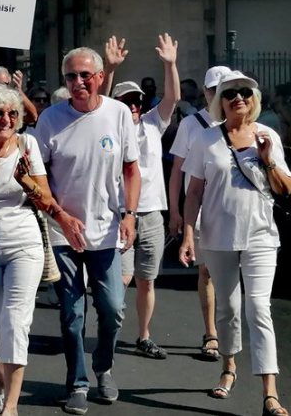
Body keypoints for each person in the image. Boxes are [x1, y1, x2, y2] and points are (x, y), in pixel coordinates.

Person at [31, 47, 140, 415]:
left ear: (98, 77)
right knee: (71, 313)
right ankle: (77, 382)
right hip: (64, 232)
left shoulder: (118, 113)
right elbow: (39, 179)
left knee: (112, 309)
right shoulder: (49, 119)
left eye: (84, 75)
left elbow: (130, 170)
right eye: (70, 77)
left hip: (107, 231)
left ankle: (103, 367)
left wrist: (129, 214)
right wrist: (60, 216)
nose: (77, 83)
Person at [180, 71, 290, 416]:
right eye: (230, 94)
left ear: (253, 99)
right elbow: (194, 191)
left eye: (244, 92)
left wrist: (268, 156)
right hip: (216, 236)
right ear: (219, 102)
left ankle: (269, 393)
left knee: (259, 309)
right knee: (227, 311)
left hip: (260, 236)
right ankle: (229, 367)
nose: (238, 98)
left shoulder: (267, 134)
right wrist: (187, 233)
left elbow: (284, 188)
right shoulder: (205, 140)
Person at [0, 84, 59, 415]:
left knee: (16, 321)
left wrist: (26, 182)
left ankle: (11, 405)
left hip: (25, 242)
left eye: (11, 113)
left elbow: (46, 199)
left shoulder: (28, 144)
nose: (4, 119)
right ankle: (2, 383)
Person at [102, 34, 180, 360]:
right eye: (126, 101)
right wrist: (109, 69)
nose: (133, 106)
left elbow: (173, 98)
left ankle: (143, 336)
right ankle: (109, 329)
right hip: (120, 213)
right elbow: (99, 99)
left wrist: (170, 63)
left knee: (147, 281)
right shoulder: (107, 126)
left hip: (151, 213)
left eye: (136, 101)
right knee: (122, 277)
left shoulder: (152, 124)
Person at [168, 65, 231, 362]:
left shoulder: (240, 122)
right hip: (201, 209)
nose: (217, 95)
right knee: (205, 271)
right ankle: (211, 334)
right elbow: (178, 172)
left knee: (229, 275)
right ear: (205, 92)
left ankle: (230, 331)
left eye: (223, 89)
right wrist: (175, 212)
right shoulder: (191, 124)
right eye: (213, 90)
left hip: (231, 211)